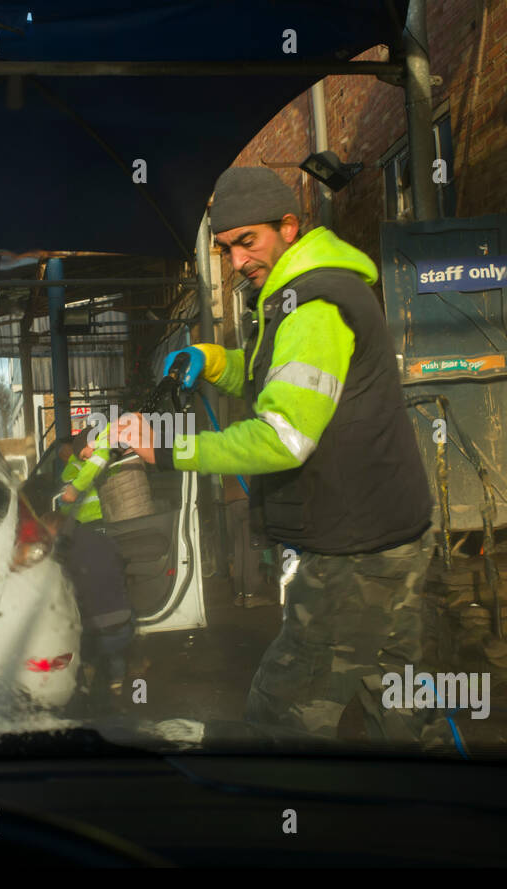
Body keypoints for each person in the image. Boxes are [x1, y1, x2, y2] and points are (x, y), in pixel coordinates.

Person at [119, 165, 448, 747]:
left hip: (353, 550)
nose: (238, 261)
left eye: (249, 242)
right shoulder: (299, 295)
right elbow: (278, 380)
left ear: (288, 227)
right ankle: (429, 814)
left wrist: (167, 450)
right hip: (387, 531)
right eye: (226, 249)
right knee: (396, 694)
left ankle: (286, 821)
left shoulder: (313, 308)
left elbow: (282, 437)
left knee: (285, 711)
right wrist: (215, 361)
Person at [53, 431, 134, 709]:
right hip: (93, 525)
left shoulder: (98, 456)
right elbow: (72, 495)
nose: (88, 455)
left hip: (93, 527)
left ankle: (92, 677)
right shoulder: (83, 466)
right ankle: (115, 678)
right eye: (83, 452)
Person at [224, 474, 273, 608]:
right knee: (251, 550)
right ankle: (251, 595)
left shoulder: (224, 455)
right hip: (247, 502)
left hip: (230, 505)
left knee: (239, 549)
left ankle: (240, 594)